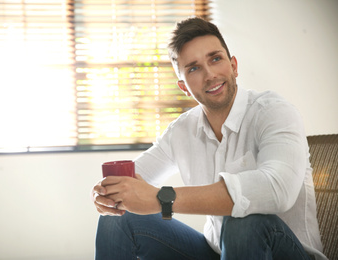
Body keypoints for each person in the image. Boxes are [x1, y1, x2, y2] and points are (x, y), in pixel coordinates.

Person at [91, 17, 326, 260]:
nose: (210, 74)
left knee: (242, 221)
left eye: (215, 59)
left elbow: (278, 190)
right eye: (194, 68)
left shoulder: (274, 112)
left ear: (234, 66)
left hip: (285, 252)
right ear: (184, 87)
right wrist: (105, 194)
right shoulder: (182, 130)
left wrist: (163, 199)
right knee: (119, 219)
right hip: (217, 252)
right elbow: (133, 177)